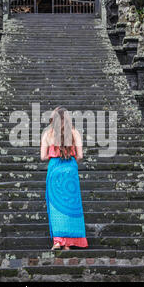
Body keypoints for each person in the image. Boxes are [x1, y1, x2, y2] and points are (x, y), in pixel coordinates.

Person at [40, 107, 88, 250]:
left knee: (56, 206)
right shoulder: (74, 133)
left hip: (54, 169)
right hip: (70, 170)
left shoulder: (48, 134)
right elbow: (80, 156)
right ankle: (69, 242)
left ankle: (58, 241)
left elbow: (43, 157)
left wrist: (54, 152)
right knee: (70, 205)